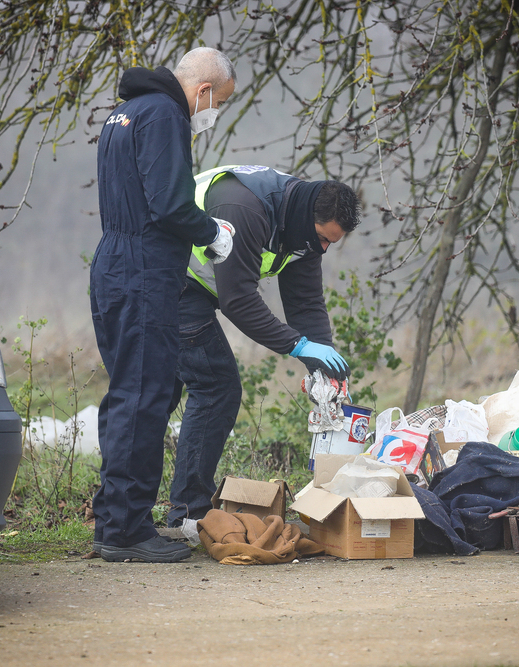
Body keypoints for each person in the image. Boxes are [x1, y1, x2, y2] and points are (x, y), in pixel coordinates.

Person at [90, 48, 237, 563]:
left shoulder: (122, 112)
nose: (212, 113)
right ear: (203, 92)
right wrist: (210, 232)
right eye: (219, 102)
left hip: (113, 262)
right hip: (146, 272)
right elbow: (170, 203)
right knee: (145, 397)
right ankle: (126, 532)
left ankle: (113, 518)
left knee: (127, 394)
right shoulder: (166, 115)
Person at [165, 164, 360, 527]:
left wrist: (323, 365)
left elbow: (305, 303)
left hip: (199, 287)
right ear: (308, 218)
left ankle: (144, 515)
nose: (323, 248)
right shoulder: (246, 209)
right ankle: (187, 516)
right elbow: (238, 299)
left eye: (332, 242)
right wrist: (298, 346)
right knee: (215, 387)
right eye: (322, 237)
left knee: (168, 391)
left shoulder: (303, 229)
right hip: (169, 277)